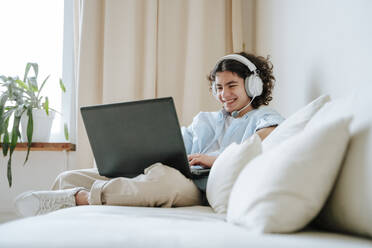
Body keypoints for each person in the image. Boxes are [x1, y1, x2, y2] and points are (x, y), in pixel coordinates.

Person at [15, 52, 284, 217]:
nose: (223, 94)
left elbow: (265, 143)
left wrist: (212, 160)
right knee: (69, 176)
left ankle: (80, 199)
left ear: (253, 85)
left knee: (164, 180)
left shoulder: (264, 117)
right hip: (168, 171)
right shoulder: (205, 120)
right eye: (218, 87)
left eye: (232, 85)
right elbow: (175, 144)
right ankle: (62, 199)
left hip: (200, 188)